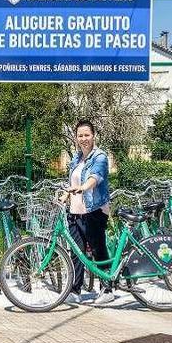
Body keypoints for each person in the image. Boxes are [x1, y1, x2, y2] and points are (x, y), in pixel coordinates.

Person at [62, 119, 113, 305]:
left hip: (94, 211)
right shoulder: (76, 158)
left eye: (87, 135)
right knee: (77, 252)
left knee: (98, 249)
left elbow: (96, 177)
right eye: (80, 135)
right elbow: (72, 183)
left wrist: (84, 187)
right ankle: (75, 291)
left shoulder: (100, 156)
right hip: (75, 211)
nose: (83, 138)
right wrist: (64, 197)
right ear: (75, 138)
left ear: (93, 136)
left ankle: (107, 289)